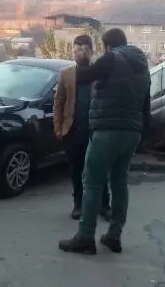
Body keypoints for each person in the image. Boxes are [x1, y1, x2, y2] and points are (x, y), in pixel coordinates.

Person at [58, 28, 151, 255]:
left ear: (107, 45)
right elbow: (146, 107)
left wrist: (80, 59)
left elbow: (84, 76)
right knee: (119, 182)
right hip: (132, 132)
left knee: (92, 181)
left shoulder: (112, 58)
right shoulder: (143, 67)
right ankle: (114, 235)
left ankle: (85, 236)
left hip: (108, 130)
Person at [53, 34, 111, 221]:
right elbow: (58, 102)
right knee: (76, 169)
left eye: (83, 48)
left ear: (90, 50)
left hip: (95, 130)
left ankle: (104, 205)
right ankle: (78, 204)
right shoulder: (67, 74)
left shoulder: (99, 72)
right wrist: (58, 127)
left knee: (98, 169)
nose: (79, 53)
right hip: (73, 130)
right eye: (76, 49)